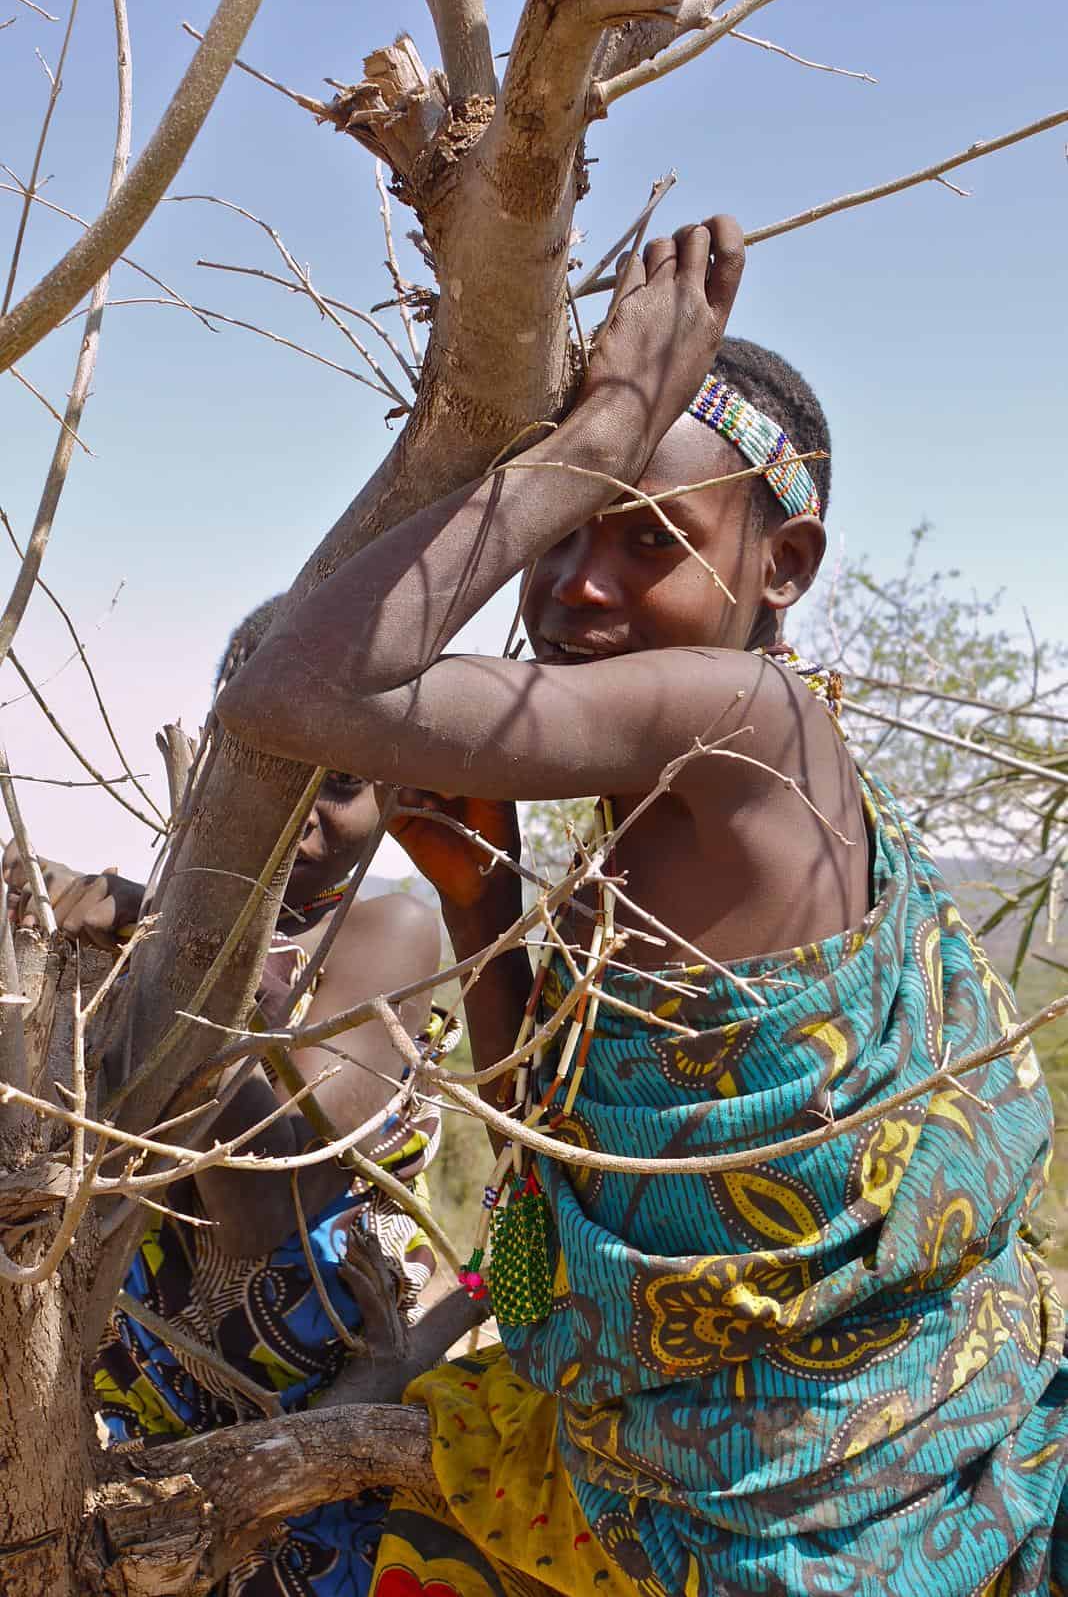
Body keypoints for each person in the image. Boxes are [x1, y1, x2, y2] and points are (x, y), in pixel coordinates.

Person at [215, 219, 1067, 1596]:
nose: (576, 585)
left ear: (782, 566)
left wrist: (602, 426)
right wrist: (485, 897)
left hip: (789, 1530)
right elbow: (544, 1225)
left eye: (645, 531)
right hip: (740, 1475)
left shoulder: (747, 720)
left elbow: (277, 686)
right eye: (561, 532)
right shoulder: (665, 831)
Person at [4, 597, 450, 1597]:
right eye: (264, 769)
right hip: (116, 1415)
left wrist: (168, 948)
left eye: (340, 784)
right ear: (209, 764)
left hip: (299, 1432)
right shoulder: (136, 935)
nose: (298, 813)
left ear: (400, 799)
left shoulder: (384, 935)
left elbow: (268, 1195)